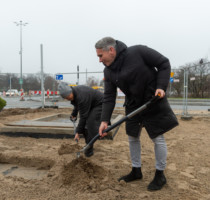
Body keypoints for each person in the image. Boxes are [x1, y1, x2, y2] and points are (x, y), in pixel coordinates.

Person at [95, 37, 178, 191]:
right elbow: (108, 97)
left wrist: (161, 86)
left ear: (111, 50)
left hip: (152, 101)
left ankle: (160, 175)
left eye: (100, 56)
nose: (99, 60)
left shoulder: (138, 52)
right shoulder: (108, 71)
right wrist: (104, 120)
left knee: (157, 138)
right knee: (133, 137)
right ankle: (136, 170)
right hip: (133, 105)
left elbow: (164, 63)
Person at [58, 82, 103, 157]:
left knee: (90, 123)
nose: (68, 98)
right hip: (91, 104)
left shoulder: (81, 96)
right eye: (66, 98)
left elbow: (83, 117)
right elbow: (77, 105)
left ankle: (89, 149)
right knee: (85, 126)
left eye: (68, 96)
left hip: (101, 103)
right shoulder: (75, 93)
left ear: (70, 91)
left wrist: (78, 132)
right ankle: (88, 147)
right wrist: (74, 114)